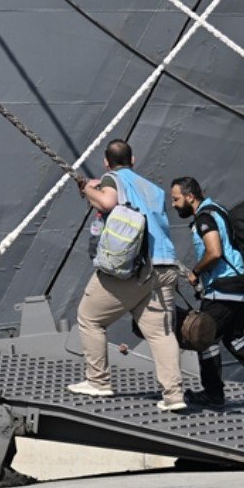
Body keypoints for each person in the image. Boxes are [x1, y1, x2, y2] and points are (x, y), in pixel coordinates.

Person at [68, 139, 188, 412]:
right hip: (165, 267)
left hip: (134, 269)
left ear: (106, 163)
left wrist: (87, 188)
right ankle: (174, 396)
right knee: (161, 334)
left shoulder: (111, 178)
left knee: (90, 318)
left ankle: (98, 381)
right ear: (133, 160)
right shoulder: (155, 190)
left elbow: (109, 201)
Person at [169, 177, 244, 412]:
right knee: (234, 338)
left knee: (201, 337)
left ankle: (214, 394)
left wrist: (195, 272)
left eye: (176, 199)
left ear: (190, 197)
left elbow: (214, 252)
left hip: (222, 290)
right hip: (239, 287)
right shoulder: (218, 211)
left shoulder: (205, 218)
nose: (173, 204)